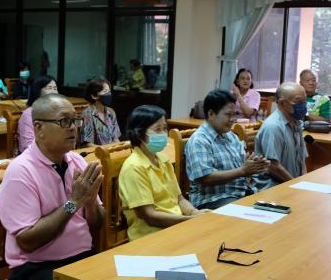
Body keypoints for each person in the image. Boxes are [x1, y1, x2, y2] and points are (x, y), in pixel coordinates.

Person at [0, 94, 105, 280]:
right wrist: (74, 202)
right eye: (64, 121)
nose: (73, 127)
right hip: (35, 269)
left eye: (75, 120)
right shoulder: (21, 172)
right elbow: (28, 242)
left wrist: (90, 202)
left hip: (81, 259)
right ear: (39, 129)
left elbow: (97, 224)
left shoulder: (77, 162)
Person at [119, 105, 205, 241]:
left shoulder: (163, 160)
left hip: (175, 227)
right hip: (150, 236)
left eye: (165, 128)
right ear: (140, 134)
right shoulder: (134, 167)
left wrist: (195, 212)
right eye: (157, 129)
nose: (164, 134)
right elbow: (150, 216)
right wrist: (188, 220)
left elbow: (179, 199)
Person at [185, 89, 272, 210]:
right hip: (213, 199)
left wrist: (254, 164)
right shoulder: (199, 140)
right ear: (211, 114)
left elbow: (242, 166)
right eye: (228, 115)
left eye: (235, 114)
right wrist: (242, 170)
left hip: (240, 193)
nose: (233, 119)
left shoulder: (230, 136)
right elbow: (205, 178)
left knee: (273, 206)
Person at [255, 82, 308, 182]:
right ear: (283, 103)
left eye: (304, 101)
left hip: (291, 183)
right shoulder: (273, 126)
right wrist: (295, 185)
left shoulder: (297, 123)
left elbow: (302, 161)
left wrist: (303, 183)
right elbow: (273, 166)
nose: (303, 105)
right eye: (298, 101)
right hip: (273, 187)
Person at [18, 75, 58, 153]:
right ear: (38, 91)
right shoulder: (29, 114)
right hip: (34, 157)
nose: (54, 92)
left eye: (55, 88)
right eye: (49, 88)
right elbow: (27, 145)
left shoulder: (57, 112)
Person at [80, 78, 120, 147]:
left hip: (111, 153)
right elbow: (87, 144)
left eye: (109, 91)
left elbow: (116, 139)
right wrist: (106, 150)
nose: (109, 94)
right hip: (96, 154)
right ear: (94, 96)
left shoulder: (111, 112)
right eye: (105, 91)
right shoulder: (88, 114)